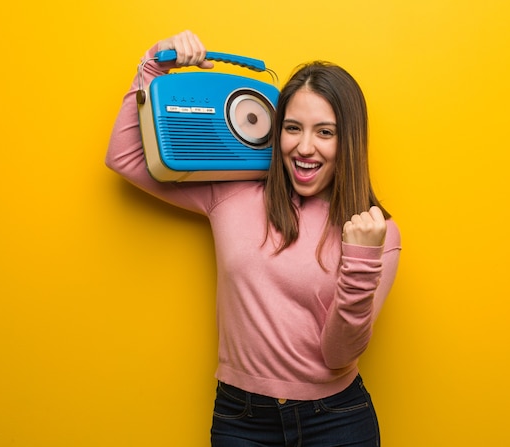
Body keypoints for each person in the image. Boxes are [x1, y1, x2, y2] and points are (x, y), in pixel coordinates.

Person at [106, 30, 401, 447]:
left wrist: (360, 262)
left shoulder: (377, 233)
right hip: (241, 420)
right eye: (293, 128)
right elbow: (126, 157)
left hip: (336, 421)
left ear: (349, 141)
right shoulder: (232, 193)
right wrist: (153, 68)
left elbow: (338, 357)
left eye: (325, 132)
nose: (304, 147)